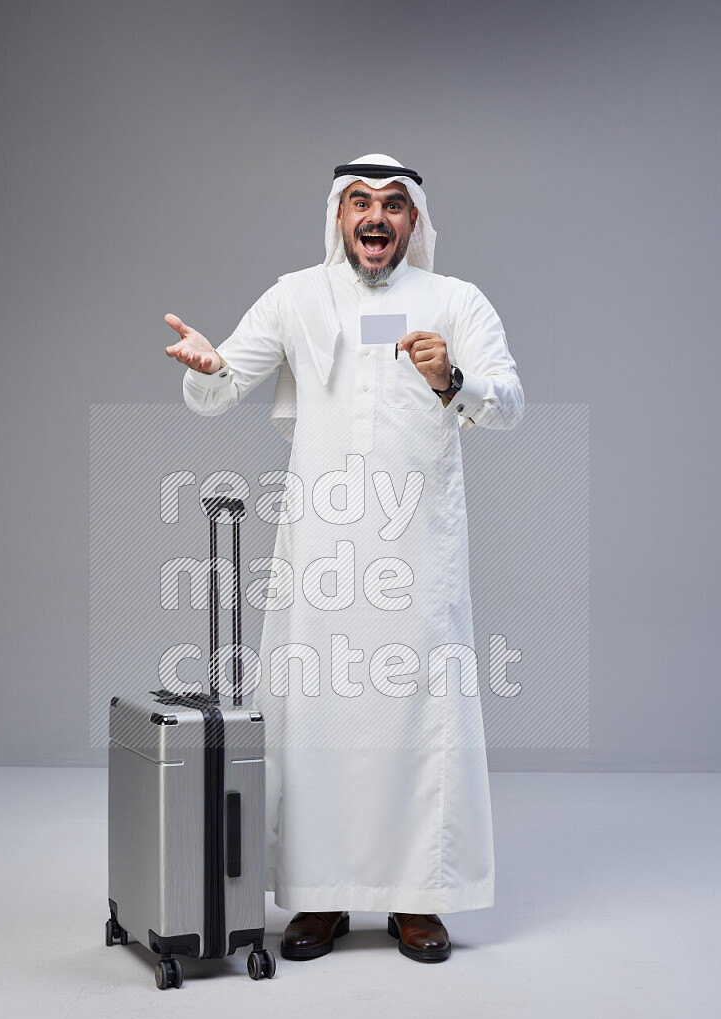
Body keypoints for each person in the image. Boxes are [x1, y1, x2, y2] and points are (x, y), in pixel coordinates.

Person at [165, 154, 523, 963]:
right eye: (359, 201)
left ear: (413, 221)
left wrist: (451, 377)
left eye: (393, 205)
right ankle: (318, 900)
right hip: (321, 555)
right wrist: (204, 364)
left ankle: (417, 900)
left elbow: (509, 401)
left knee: (415, 717)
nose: (375, 216)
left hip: (417, 554)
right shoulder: (297, 295)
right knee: (314, 718)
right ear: (337, 215)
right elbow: (225, 383)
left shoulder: (454, 301)